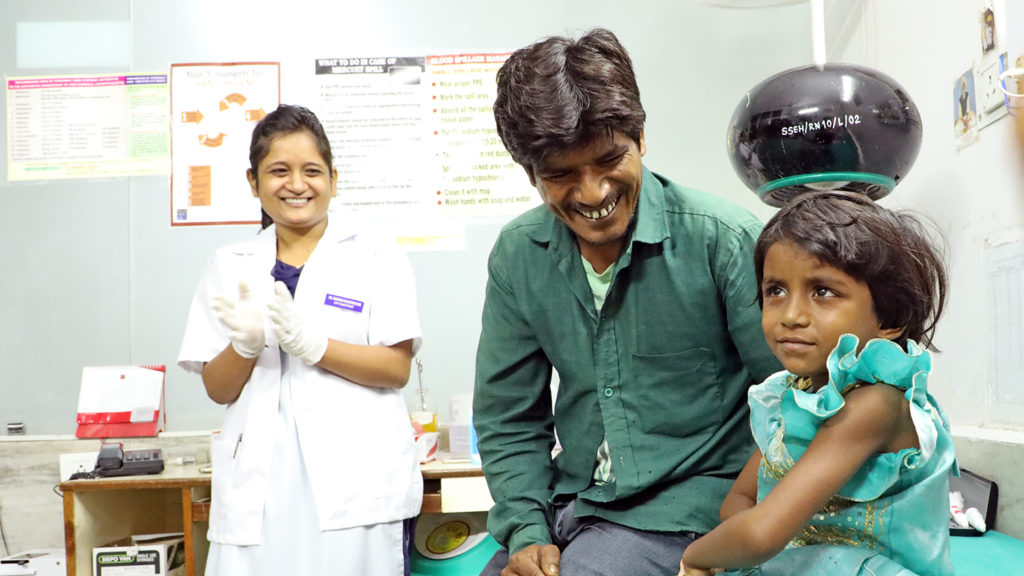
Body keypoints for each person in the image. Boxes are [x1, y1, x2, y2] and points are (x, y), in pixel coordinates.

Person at [473, 28, 782, 576]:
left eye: (609, 160)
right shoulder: (519, 255)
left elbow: (794, 399)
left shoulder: (723, 240)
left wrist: (749, 521)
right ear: (530, 175)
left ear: (640, 138)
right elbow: (510, 419)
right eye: (561, 175)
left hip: (684, 511)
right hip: (573, 507)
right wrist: (525, 529)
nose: (592, 193)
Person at [177, 104, 423, 576]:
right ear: (253, 182)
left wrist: (315, 346)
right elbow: (219, 389)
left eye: (312, 171)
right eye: (278, 171)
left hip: (354, 480)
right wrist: (244, 348)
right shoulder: (229, 264)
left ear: (334, 177)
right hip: (259, 485)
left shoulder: (375, 253)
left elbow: (395, 368)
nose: (296, 184)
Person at [678, 190, 957, 576]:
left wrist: (697, 557)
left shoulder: (876, 405)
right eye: (776, 290)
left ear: (890, 317)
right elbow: (740, 498)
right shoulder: (792, 393)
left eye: (823, 291)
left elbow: (760, 535)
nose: (791, 315)